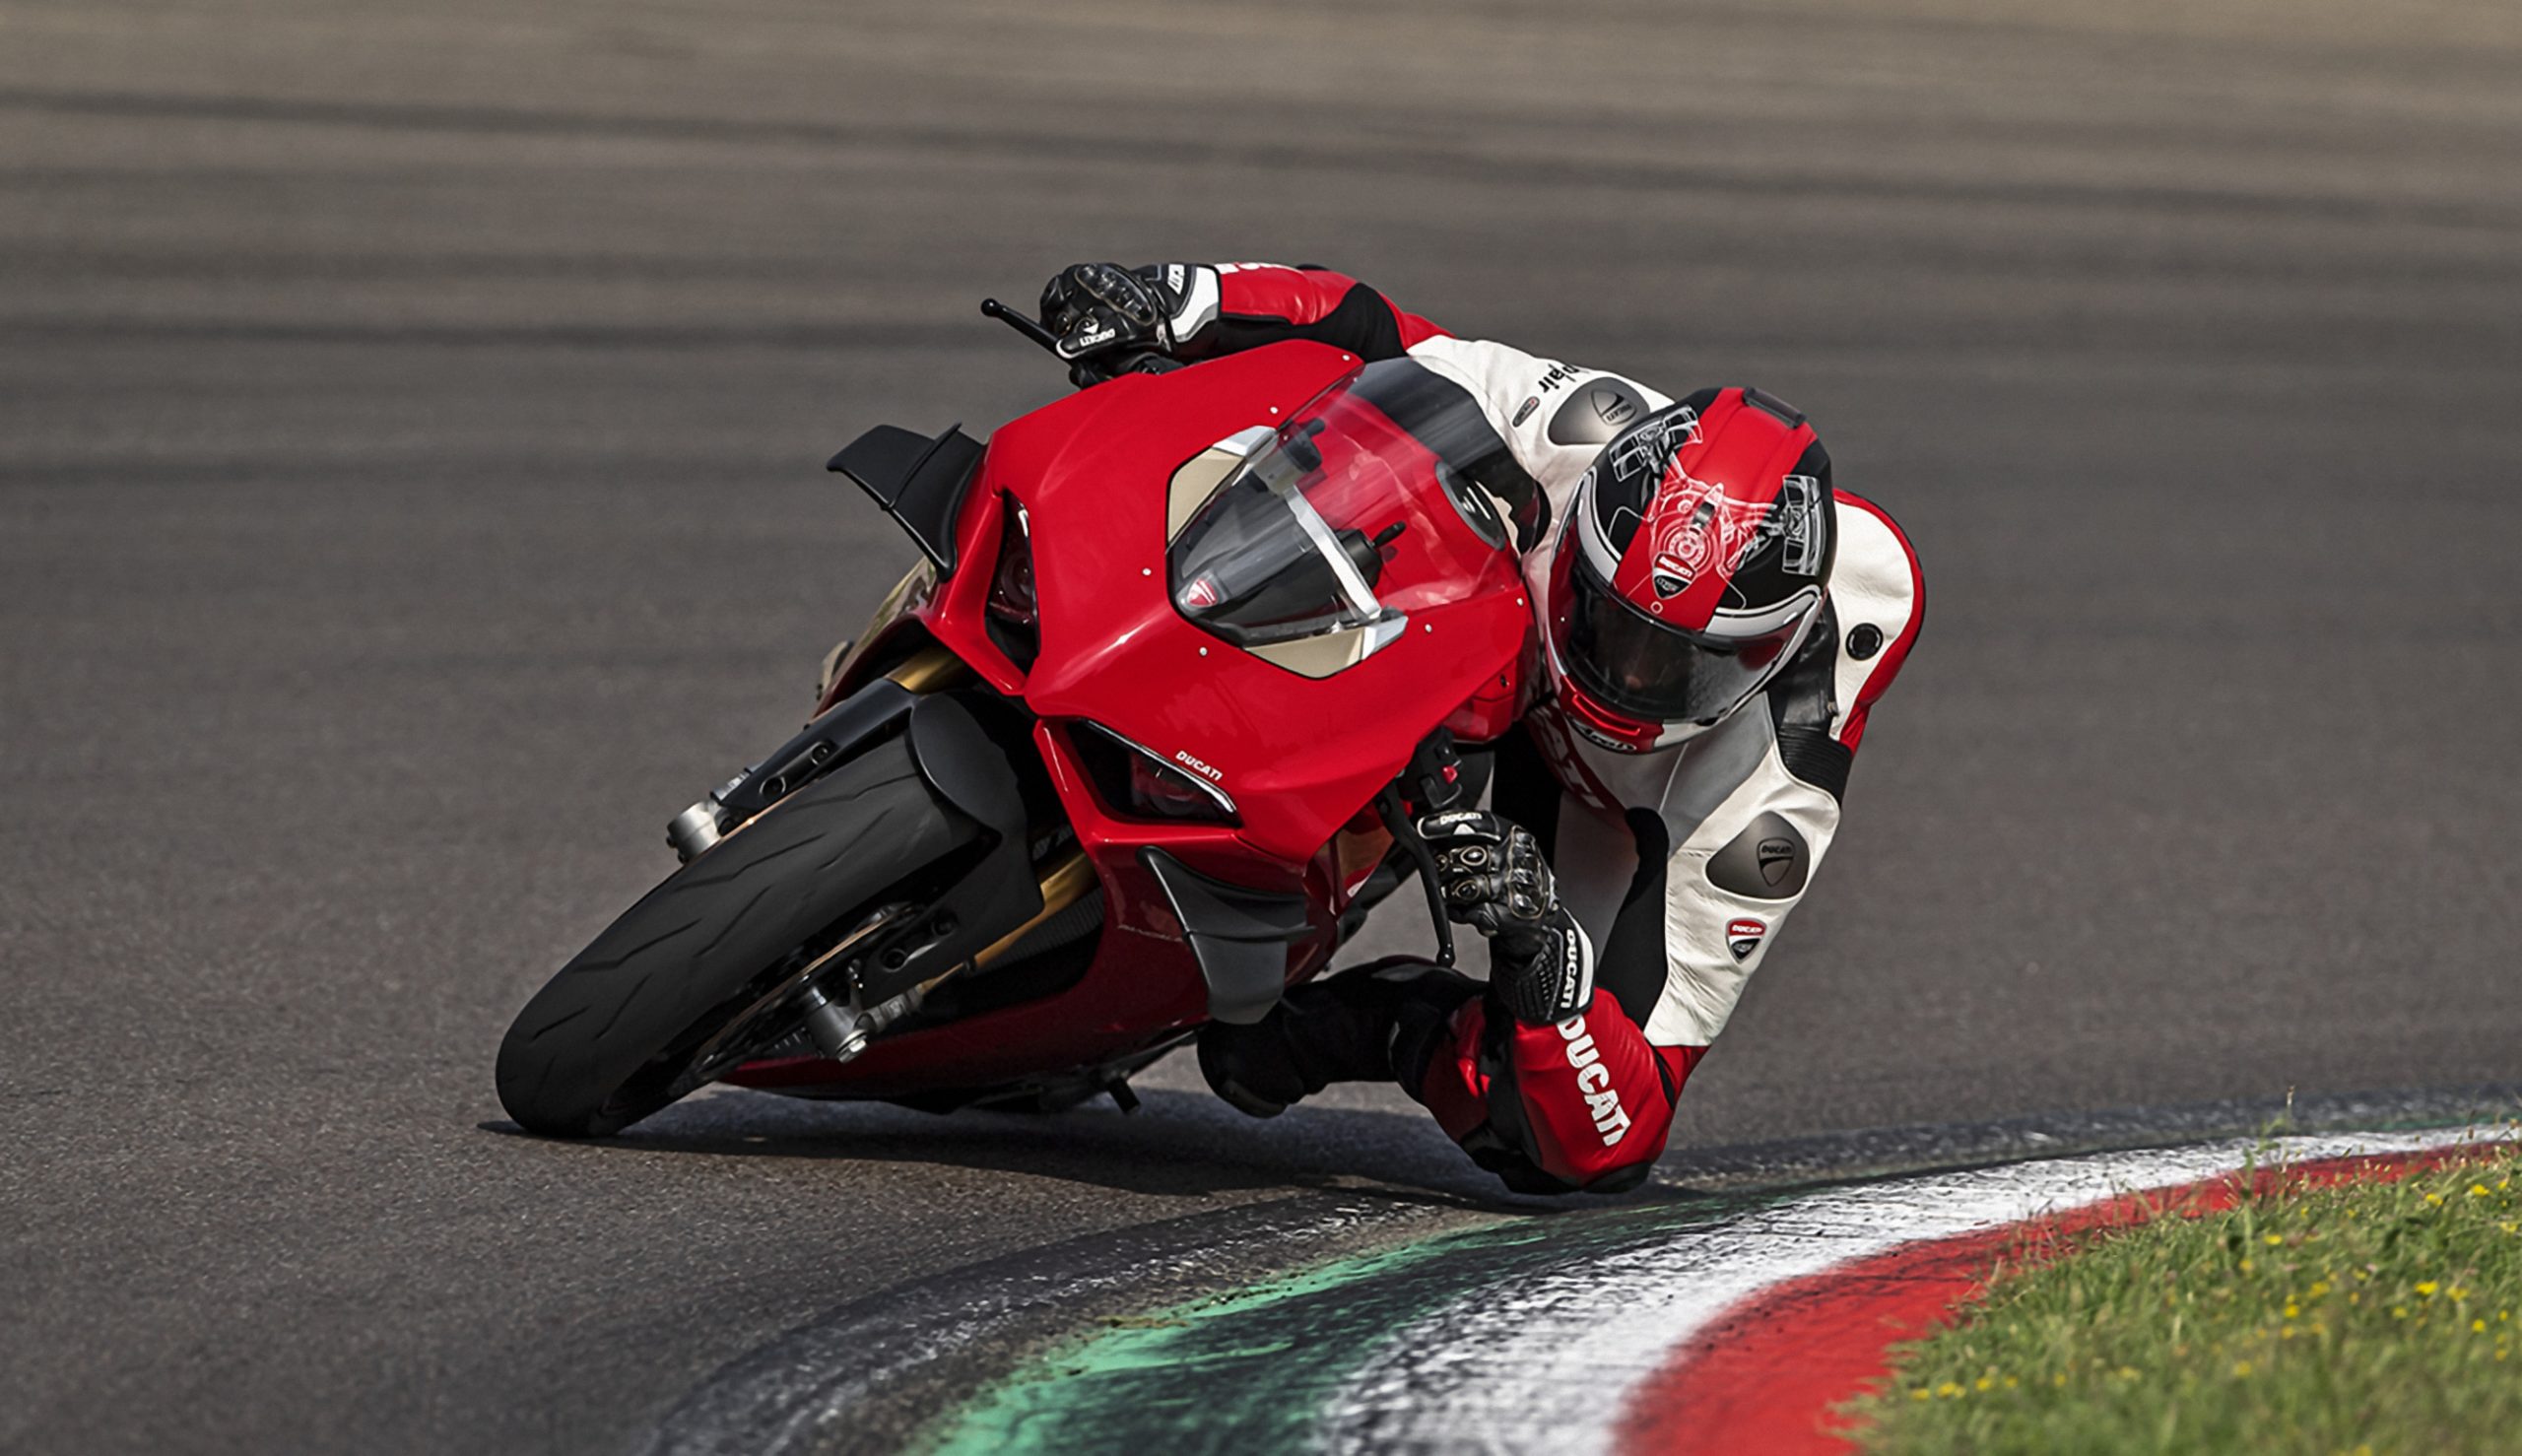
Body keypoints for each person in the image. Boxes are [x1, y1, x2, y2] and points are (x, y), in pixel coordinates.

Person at [1037, 262, 1923, 1194]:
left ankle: (1378, 1020)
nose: (1625, 675)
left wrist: (1543, 951)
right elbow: (1380, 332)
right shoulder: (1583, 428)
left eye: (1676, 667)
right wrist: (1183, 297)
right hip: (1491, 638)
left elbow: (1628, 1114)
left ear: (1766, 657)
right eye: (1611, 622)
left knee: (1565, 1154)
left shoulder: (1764, 776)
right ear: (1588, 526)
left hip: (1611, 807)